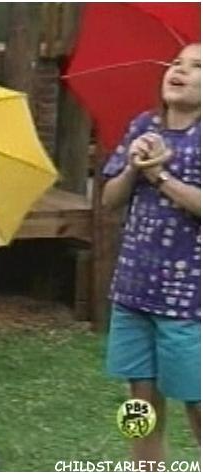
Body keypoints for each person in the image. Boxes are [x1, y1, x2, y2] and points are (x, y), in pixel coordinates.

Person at [102, 43, 201, 466]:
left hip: (188, 301)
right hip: (134, 290)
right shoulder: (143, 126)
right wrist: (133, 166)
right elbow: (109, 200)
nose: (180, 70)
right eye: (176, 63)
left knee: (196, 399)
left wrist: (159, 175)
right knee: (139, 400)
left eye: (196, 66)